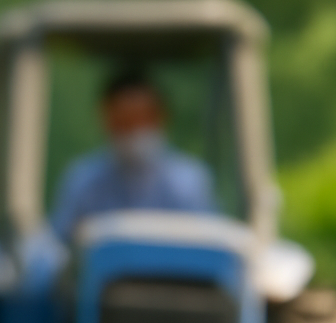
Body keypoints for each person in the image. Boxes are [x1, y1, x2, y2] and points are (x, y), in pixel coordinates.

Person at [49, 70, 214, 242]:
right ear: (106, 120)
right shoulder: (83, 181)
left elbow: (209, 245)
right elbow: (57, 244)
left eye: (141, 120)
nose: (133, 132)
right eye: (124, 122)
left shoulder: (189, 183)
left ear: (161, 117)